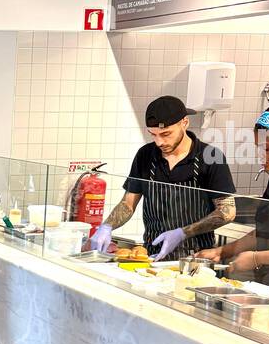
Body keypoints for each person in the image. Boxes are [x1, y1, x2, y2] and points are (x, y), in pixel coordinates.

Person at [91, 96, 236, 260]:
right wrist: (107, 226)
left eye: (166, 134)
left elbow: (228, 212)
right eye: (154, 134)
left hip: (195, 258)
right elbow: (128, 204)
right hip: (151, 256)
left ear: (185, 123)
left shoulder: (211, 157)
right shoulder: (145, 155)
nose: (159, 142)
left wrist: (182, 233)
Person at [198, 103, 269, 284]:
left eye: (266, 148)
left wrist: (255, 259)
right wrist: (221, 252)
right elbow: (265, 232)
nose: (260, 155)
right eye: (257, 147)